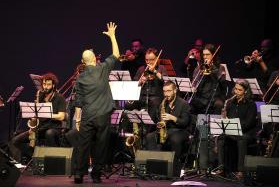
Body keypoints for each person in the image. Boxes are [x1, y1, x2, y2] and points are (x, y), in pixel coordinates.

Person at [73, 22, 120, 184]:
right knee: (100, 145)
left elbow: (78, 101)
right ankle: (96, 175)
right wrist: (112, 36)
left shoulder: (80, 78)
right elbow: (116, 54)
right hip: (102, 115)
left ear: (83, 61)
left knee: (83, 145)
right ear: (94, 58)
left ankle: (79, 174)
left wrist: (78, 119)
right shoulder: (102, 68)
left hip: (87, 116)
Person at [9, 73, 66, 162]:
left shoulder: (59, 98)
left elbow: (61, 116)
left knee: (49, 133)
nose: (46, 87)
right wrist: (34, 118)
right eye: (44, 84)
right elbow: (36, 112)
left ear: (53, 85)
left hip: (54, 128)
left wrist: (48, 114)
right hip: (41, 127)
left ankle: (51, 161)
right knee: (16, 140)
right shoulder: (40, 95)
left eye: (48, 85)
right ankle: (36, 156)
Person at [145, 81, 190, 176]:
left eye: (169, 91)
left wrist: (172, 117)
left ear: (175, 91)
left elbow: (185, 122)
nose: (166, 94)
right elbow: (160, 118)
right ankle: (155, 167)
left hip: (180, 130)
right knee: (150, 136)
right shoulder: (163, 103)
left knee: (175, 139)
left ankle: (174, 168)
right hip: (167, 130)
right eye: (164, 91)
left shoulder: (183, 104)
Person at [216, 79, 257, 179]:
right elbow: (228, 119)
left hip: (246, 133)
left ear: (246, 91)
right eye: (236, 89)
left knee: (242, 139)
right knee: (221, 138)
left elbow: (249, 123)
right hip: (233, 131)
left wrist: (235, 126)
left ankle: (241, 170)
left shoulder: (251, 104)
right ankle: (221, 168)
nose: (236, 92)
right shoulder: (230, 102)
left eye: (240, 90)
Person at [129, 48, 168, 122]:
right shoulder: (141, 69)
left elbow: (166, 81)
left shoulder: (161, 68)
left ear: (157, 59)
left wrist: (155, 71)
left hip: (156, 97)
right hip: (142, 96)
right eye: (146, 60)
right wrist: (140, 81)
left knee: (154, 104)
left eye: (151, 60)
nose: (148, 62)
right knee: (128, 105)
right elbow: (134, 84)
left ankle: (149, 127)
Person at [190, 43, 226, 115]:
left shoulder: (220, 67)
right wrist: (194, 86)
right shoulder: (199, 67)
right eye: (204, 55)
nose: (205, 57)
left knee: (218, 104)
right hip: (201, 96)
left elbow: (222, 82)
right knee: (190, 102)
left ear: (213, 55)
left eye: (208, 54)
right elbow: (194, 81)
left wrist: (212, 67)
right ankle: (196, 125)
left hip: (214, 96)